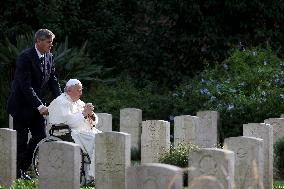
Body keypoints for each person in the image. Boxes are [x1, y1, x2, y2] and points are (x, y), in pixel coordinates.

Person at [7, 29, 62, 179]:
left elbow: (53, 82)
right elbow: (26, 86)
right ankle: (16, 174)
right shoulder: (25, 57)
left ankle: (21, 168)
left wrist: (63, 100)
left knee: (40, 136)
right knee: (21, 141)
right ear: (38, 41)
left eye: (52, 42)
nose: (51, 45)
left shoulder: (49, 56)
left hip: (37, 108)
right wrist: (40, 106)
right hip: (21, 106)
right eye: (48, 42)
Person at [48, 78, 102, 183]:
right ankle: (91, 175)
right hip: (69, 132)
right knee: (96, 140)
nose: (81, 93)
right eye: (78, 90)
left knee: (103, 137)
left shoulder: (79, 102)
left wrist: (91, 114)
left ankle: (98, 172)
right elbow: (69, 121)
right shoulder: (60, 101)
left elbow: (93, 121)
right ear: (69, 90)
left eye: (81, 90)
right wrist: (84, 114)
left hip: (84, 130)